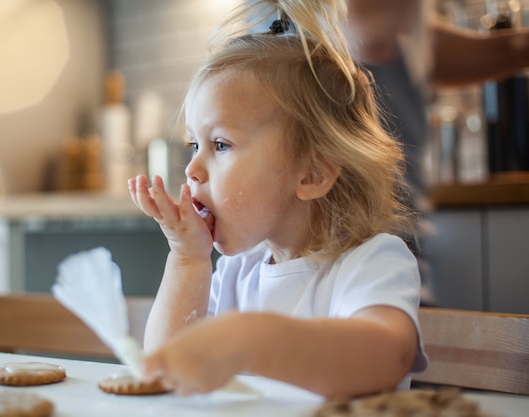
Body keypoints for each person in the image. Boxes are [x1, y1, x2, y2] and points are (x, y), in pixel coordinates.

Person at [128, 0, 427, 398]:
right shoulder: (238, 271)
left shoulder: (372, 262)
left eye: (220, 144)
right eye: (193, 144)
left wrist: (252, 340)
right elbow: (167, 373)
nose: (192, 169)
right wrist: (188, 259)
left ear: (312, 173)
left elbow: (386, 359)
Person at [345, 0, 529, 305]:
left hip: (399, 266)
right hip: (339, 272)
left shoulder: (411, 44)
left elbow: (510, 50)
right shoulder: (305, 47)